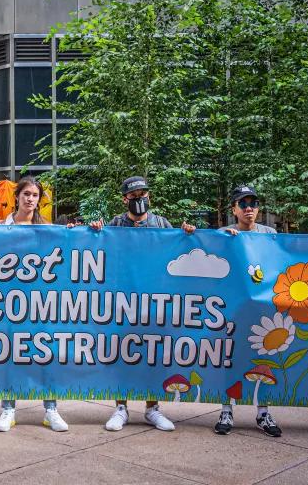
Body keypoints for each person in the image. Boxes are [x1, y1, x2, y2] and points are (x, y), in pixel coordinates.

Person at [94, 176, 195, 433]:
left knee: (153, 353)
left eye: (143, 194)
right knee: (121, 352)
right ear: (125, 199)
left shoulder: (162, 223)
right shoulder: (116, 223)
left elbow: (177, 253)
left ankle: (152, 409)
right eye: (134, 195)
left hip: (154, 298)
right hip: (122, 299)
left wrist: (186, 235)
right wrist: (94, 231)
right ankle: (121, 408)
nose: (140, 199)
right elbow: (99, 248)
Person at [0, 176, 69, 433]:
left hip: (41, 302)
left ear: (39, 200)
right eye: (26, 193)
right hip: (9, 302)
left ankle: (51, 410)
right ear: (17, 196)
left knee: (46, 354)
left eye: (35, 195)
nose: (30, 198)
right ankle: (8, 409)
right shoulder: (1, 227)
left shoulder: (47, 229)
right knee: (10, 354)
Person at [214, 185, 282, 437]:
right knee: (229, 359)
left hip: (262, 313)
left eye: (253, 203)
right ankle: (226, 410)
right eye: (243, 204)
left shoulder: (270, 234)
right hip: (231, 312)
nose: (249, 208)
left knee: (263, 362)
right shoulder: (223, 234)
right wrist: (223, 243)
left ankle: (264, 413)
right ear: (234, 209)